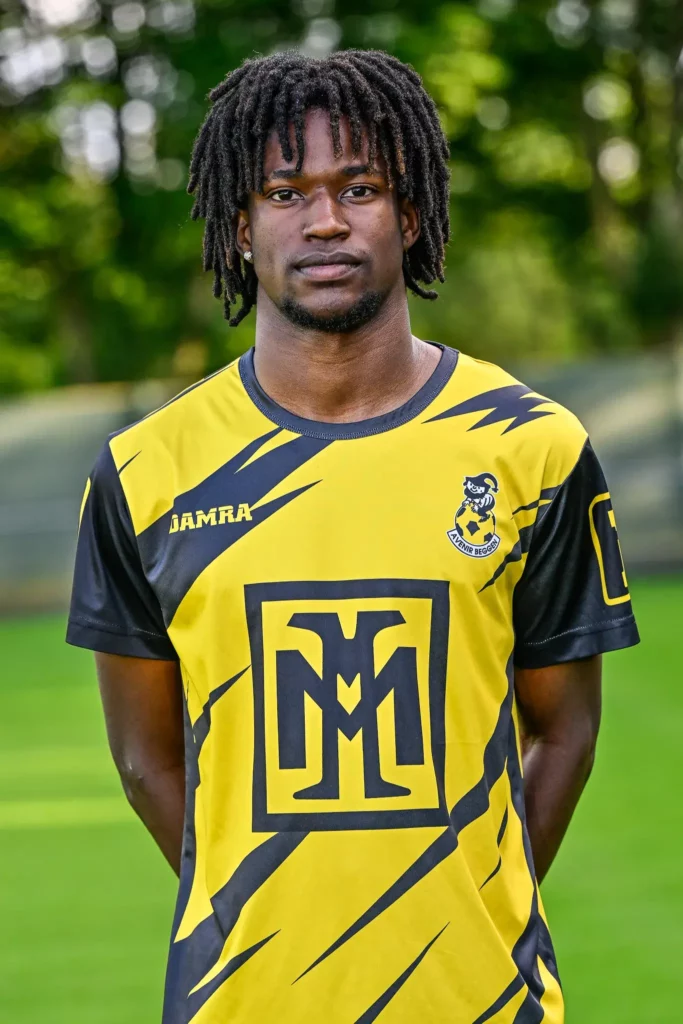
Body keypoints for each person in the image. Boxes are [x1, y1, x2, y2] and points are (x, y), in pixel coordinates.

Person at [67, 49, 639, 1024]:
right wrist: (259, 909)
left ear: (409, 215)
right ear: (239, 227)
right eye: (284, 191)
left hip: (482, 1000)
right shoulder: (144, 473)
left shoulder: (532, 449)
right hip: (241, 1001)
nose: (324, 219)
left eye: (359, 187)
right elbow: (144, 761)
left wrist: (458, 901)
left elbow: (564, 729)